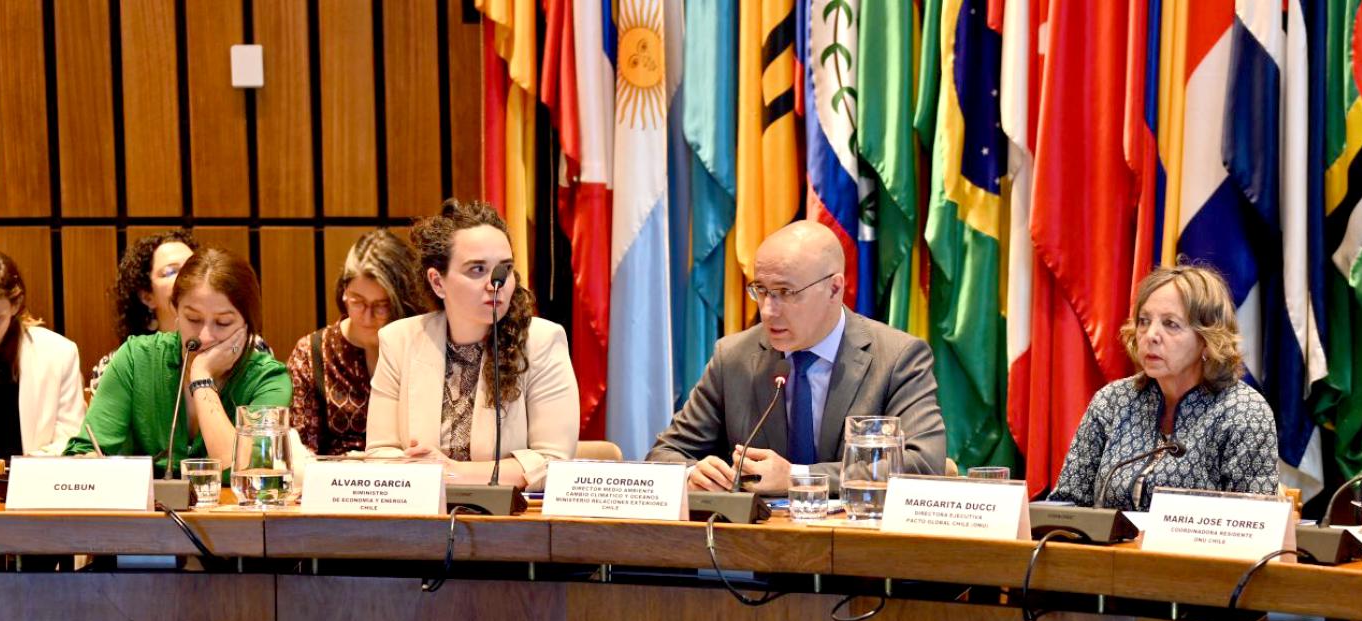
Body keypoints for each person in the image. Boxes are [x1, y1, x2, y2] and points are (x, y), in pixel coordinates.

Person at [647, 220, 946, 493]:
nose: (768, 310)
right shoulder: (733, 357)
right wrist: (692, 474)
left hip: (856, 542)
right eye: (761, 290)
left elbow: (923, 464)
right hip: (755, 544)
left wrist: (798, 476)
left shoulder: (897, 358)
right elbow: (665, 454)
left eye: (786, 292)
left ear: (834, 288)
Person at [366, 199, 578, 489]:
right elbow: (379, 453)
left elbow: (553, 463)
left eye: (504, 268)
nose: (495, 283)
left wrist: (451, 472)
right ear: (437, 282)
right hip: (421, 519)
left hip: (511, 524)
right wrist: (418, 471)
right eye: (477, 269)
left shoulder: (542, 342)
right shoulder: (399, 341)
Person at [1048, 262, 1278, 507]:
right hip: (1111, 547)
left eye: (1170, 324)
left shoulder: (1244, 412)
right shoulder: (1113, 401)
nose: (1150, 336)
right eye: (1144, 321)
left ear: (1207, 339)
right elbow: (1068, 503)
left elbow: (1255, 524)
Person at [66, 248, 290, 471]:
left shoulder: (269, 379)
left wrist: (201, 378)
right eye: (193, 318)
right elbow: (84, 453)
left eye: (223, 323)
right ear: (175, 310)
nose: (204, 336)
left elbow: (243, 468)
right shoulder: (136, 359)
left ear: (248, 325)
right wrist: (88, 461)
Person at [288, 229, 423, 455]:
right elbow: (298, 452)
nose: (367, 317)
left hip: (409, 479)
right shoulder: (313, 354)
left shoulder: (423, 348)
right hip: (335, 483)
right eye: (357, 301)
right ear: (343, 292)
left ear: (403, 302)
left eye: (382, 305)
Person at [0, 250, 86, 461]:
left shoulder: (57, 353)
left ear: (15, 306)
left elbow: (69, 442)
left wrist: (25, 471)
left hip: (30, 488)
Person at [87, 230, 196, 397]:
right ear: (147, 296)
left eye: (193, 266)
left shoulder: (240, 351)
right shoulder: (118, 365)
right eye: (171, 271)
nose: (187, 276)